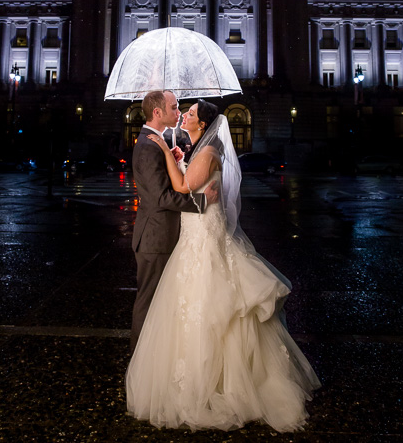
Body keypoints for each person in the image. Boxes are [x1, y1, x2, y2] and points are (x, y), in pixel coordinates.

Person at [126, 99, 321, 433]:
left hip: (203, 235)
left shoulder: (208, 152)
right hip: (193, 234)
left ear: (202, 125)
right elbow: (185, 183)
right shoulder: (199, 150)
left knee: (205, 303)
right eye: (180, 110)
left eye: (188, 114)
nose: (183, 115)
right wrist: (178, 158)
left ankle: (209, 383)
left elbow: (183, 187)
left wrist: (169, 154)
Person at [130, 90, 217, 352]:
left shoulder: (156, 141)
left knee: (159, 301)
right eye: (174, 107)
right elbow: (162, 198)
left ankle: (155, 354)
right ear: (157, 113)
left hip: (163, 236)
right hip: (155, 238)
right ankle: (140, 360)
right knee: (148, 301)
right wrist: (202, 203)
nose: (178, 112)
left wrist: (175, 161)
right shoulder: (148, 145)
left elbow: (166, 184)